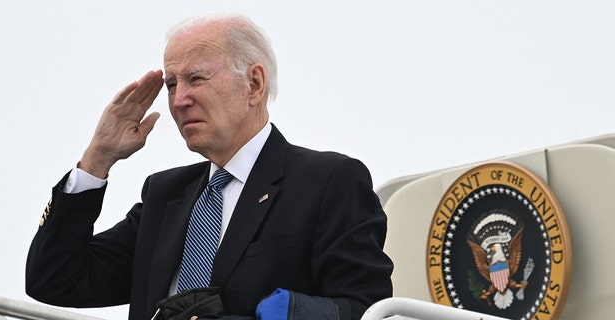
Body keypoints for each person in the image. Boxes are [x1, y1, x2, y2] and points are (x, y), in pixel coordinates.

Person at [25, 13, 393, 320]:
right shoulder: (165, 195)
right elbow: (55, 279)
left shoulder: (327, 181)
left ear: (253, 84)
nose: (179, 100)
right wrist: (97, 160)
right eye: (171, 84)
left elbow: (366, 309)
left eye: (196, 78)